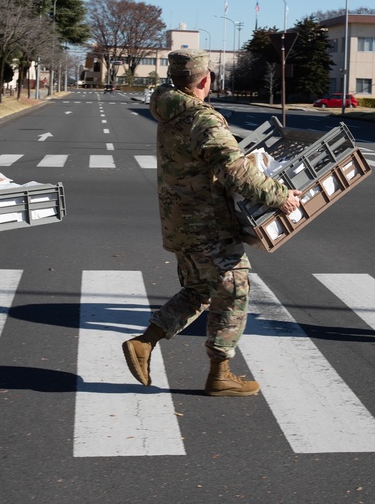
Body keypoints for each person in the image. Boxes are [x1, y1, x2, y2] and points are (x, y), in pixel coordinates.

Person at [122, 49, 301, 396]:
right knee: (235, 289)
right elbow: (234, 171)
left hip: (179, 221)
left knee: (201, 289)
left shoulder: (170, 111)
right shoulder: (202, 118)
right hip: (208, 224)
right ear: (205, 80)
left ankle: (145, 343)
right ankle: (220, 374)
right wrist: (280, 197)